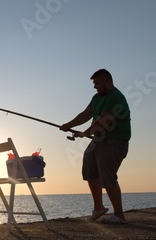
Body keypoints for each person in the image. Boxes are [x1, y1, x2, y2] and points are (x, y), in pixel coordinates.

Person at [60, 69, 131, 224]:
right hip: (99, 141)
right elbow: (86, 114)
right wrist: (68, 125)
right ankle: (98, 207)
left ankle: (119, 215)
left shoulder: (116, 97)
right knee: (89, 170)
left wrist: (84, 133)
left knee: (108, 177)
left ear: (106, 81)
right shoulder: (96, 98)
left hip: (115, 142)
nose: (95, 87)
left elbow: (104, 121)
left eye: (96, 83)